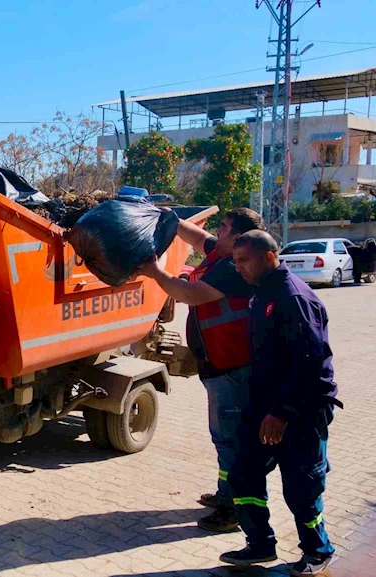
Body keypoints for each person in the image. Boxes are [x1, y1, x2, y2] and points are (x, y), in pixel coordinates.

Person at [220, 230, 342, 576]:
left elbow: (309, 362)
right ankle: (260, 543)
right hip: (264, 407)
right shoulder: (263, 292)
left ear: (269, 258)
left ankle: (318, 550)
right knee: (242, 474)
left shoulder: (292, 297)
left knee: (302, 485)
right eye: (235, 260)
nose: (238, 268)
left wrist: (281, 413)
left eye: (244, 260)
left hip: (299, 409)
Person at [139, 207, 263, 532]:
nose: (217, 232)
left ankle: (233, 510)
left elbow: (188, 294)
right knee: (224, 437)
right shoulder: (223, 253)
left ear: (238, 238)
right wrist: (168, 217)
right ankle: (228, 493)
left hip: (233, 369)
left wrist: (155, 271)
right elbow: (197, 237)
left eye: (223, 228)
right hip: (219, 366)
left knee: (231, 440)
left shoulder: (234, 268)